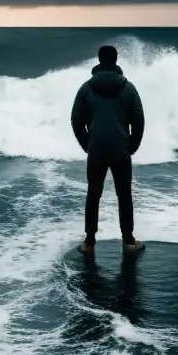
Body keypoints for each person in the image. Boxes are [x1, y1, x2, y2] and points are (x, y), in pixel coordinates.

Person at [71, 44, 145, 254]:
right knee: (124, 195)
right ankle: (128, 241)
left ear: (99, 59)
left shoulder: (86, 88)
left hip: (96, 150)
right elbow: (138, 120)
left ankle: (89, 242)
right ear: (115, 60)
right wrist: (131, 146)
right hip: (121, 150)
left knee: (94, 194)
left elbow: (76, 119)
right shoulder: (128, 88)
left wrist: (88, 144)